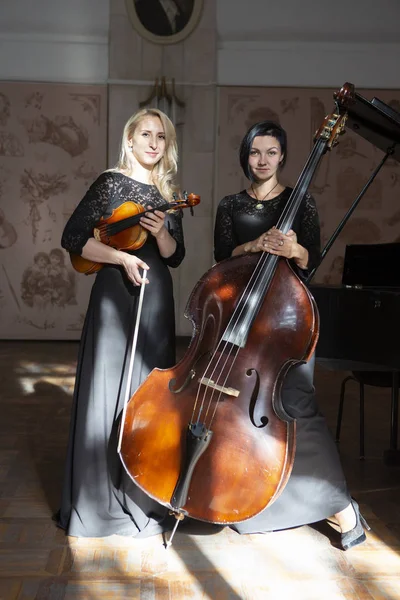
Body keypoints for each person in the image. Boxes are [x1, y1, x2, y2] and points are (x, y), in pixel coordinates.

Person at [213, 120, 370, 551]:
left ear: (283, 156)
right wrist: (254, 246)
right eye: (254, 153)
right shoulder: (230, 205)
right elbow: (220, 257)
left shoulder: (301, 202)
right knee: (242, 412)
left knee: (298, 407)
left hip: (289, 318)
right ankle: (257, 500)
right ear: (245, 156)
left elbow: (311, 261)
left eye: (271, 152)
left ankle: (342, 506)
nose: (262, 160)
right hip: (242, 315)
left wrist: (292, 249)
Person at [57, 108, 185, 538]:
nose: (153, 142)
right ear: (129, 140)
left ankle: (142, 495)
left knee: (148, 393)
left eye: (161, 137)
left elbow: (174, 255)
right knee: (107, 386)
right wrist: (121, 256)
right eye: (145, 134)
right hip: (115, 295)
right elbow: (74, 238)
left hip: (155, 297)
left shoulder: (168, 192)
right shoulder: (110, 183)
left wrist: (163, 231)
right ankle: (96, 499)